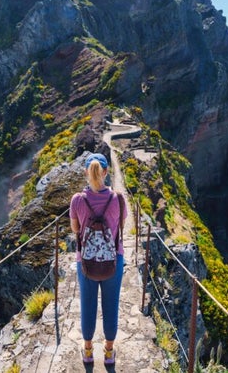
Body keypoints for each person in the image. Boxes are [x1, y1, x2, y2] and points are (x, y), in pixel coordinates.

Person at [69, 152, 125, 366]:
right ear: (106, 172)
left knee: (88, 305)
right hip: (113, 260)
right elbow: (120, 225)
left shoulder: (77, 200)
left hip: (86, 262)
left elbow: (75, 229)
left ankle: (88, 351)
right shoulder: (118, 199)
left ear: (86, 172)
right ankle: (109, 353)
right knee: (111, 305)